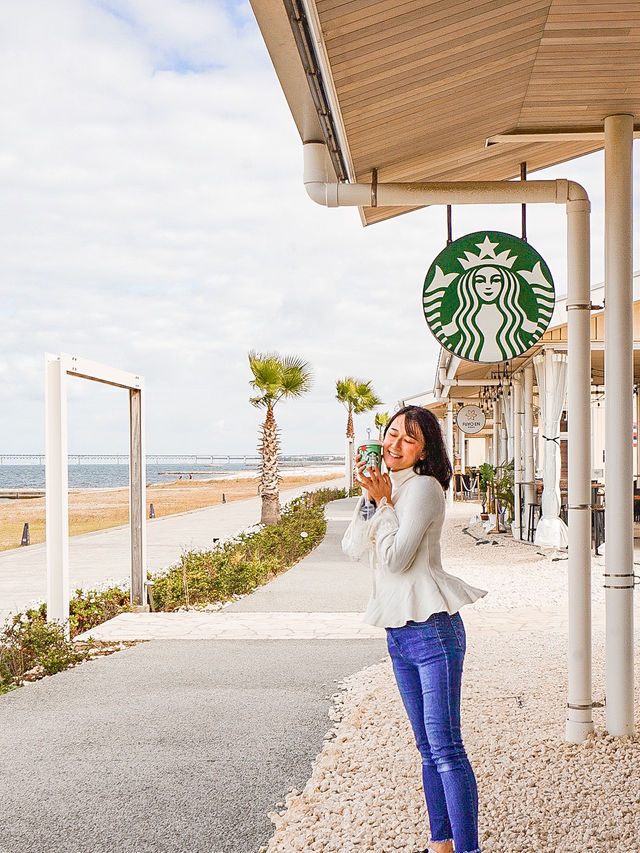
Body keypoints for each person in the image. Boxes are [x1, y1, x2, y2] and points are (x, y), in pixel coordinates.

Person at [342, 405, 487, 853]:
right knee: (427, 750)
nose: (395, 444)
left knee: (446, 749)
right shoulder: (389, 489)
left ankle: (467, 849)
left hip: (433, 632)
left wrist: (385, 504)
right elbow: (352, 548)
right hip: (399, 634)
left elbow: (396, 559)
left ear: (425, 451)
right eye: (392, 434)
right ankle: (440, 844)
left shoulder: (424, 488)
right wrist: (371, 499)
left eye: (409, 439)